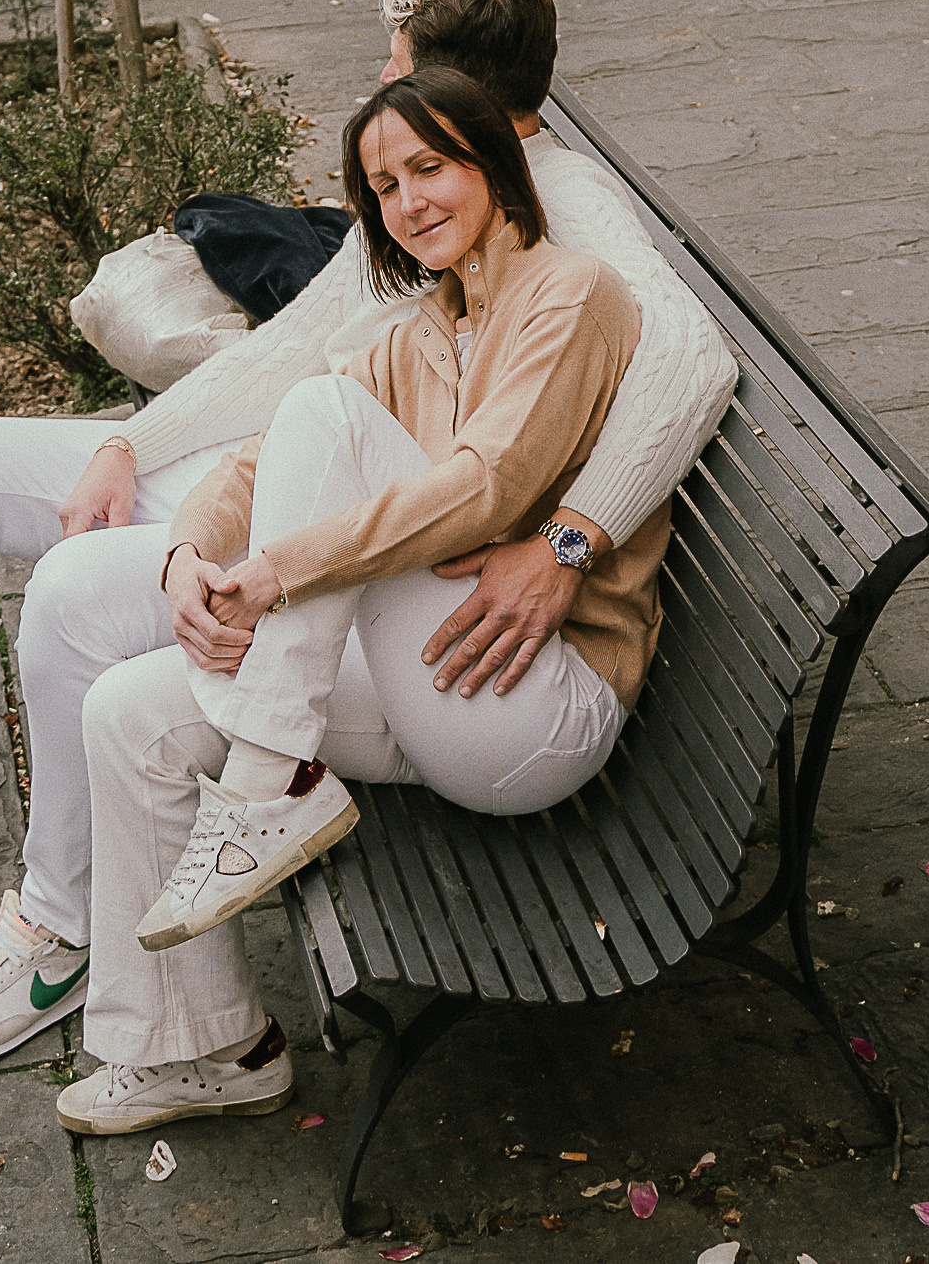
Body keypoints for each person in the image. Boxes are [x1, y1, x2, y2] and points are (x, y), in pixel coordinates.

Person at [0, 0, 735, 1076]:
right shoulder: (428, 239)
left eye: (399, 73)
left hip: (411, 555)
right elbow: (307, 354)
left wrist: (571, 540)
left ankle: (68, 919)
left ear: (455, 109)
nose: (382, 92)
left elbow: (687, 365)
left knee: (123, 576)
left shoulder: (567, 223)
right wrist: (139, 454)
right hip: (329, 496)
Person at [57, 66, 669, 1133]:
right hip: (437, 678)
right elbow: (251, 464)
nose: (409, 200)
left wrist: (281, 570)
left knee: (325, 419)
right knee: (127, 714)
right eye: (385, 186)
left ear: (495, 165)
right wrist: (187, 558)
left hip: (538, 703)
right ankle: (208, 1049)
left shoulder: (568, 294)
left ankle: (271, 778)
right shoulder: (419, 328)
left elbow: (493, 487)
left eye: (431, 166)